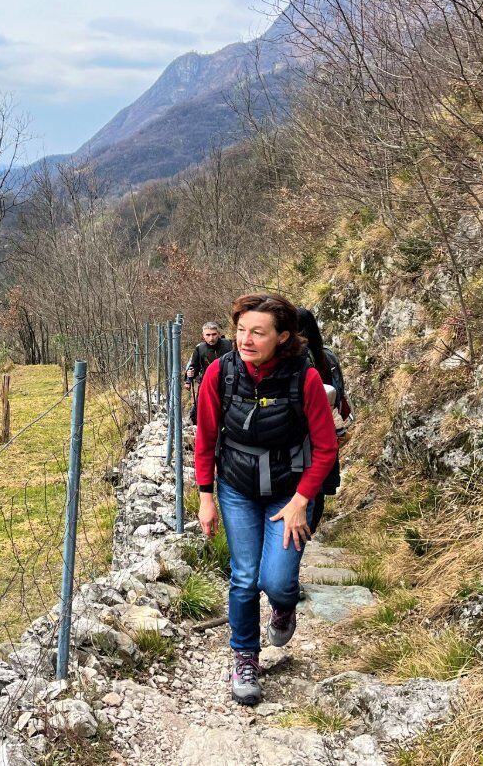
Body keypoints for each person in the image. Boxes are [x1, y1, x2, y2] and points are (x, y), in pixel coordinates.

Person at [194, 292, 338, 706]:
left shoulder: (304, 378)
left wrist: (301, 500)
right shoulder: (220, 374)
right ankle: (245, 658)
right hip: (237, 488)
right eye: (241, 330)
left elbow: (326, 449)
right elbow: (204, 440)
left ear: (283, 336)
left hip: (290, 493)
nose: (246, 339)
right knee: (243, 577)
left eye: (258, 332)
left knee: (275, 580)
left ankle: (283, 606)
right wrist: (206, 497)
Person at [297, 306, 353, 534]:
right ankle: (307, 531)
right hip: (326, 426)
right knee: (317, 482)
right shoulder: (327, 356)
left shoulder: (293, 357)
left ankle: (298, 536)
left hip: (299, 428)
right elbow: (339, 391)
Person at [184, 322, 232, 424]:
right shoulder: (200, 348)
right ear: (203, 336)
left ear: (218, 334)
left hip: (227, 382)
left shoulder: (229, 345)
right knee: (200, 410)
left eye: (214, 334)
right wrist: (188, 379)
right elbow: (193, 366)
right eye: (208, 335)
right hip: (207, 382)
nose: (211, 338)